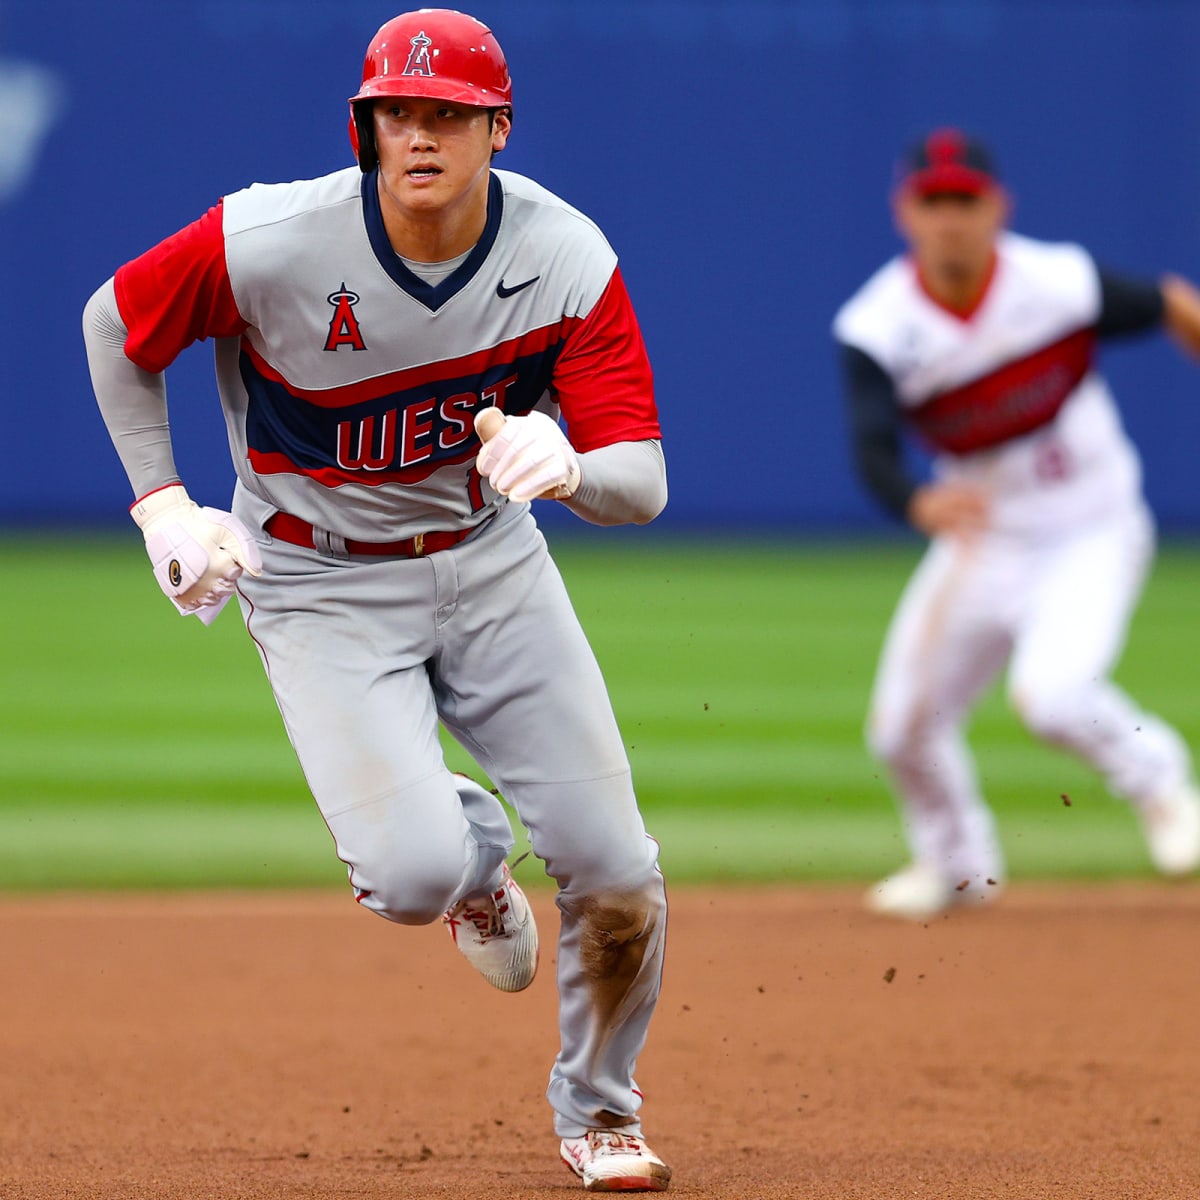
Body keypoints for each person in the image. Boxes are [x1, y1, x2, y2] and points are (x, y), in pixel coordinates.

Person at [82, 10, 672, 1191]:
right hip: (315, 579)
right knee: (408, 876)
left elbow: (641, 482)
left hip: (494, 563)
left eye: (447, 113)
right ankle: (470, 866)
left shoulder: (565, 257)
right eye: (396, 112)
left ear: (497, 129)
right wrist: (162, 504)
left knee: (618, 877)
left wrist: (569, 470)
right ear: (366, 126)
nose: (418, 133)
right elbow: (115, 322)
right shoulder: (272, 240)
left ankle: (600, 1111)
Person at [832, 127, 1200, 920]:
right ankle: (960, 868)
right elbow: (872, 445)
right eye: (934, 202)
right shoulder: (877, 323)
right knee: (901, 730)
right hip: (985, 539)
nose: (951, 219)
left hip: (1090, 527)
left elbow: (1169, 301)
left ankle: (1166, 788)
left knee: (1053, 695)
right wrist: (915, 502)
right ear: (907, 212)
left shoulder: (1056, 282)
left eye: (965, 200)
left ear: (997, 206)